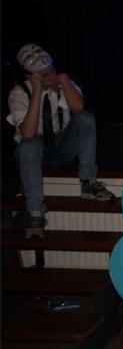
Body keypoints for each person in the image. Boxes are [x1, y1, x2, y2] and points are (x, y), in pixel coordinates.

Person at [7, 44, 115, 235]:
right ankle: (35, 211)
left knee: (85, 118)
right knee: (29, 145)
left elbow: (79, 108)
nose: (51, 77)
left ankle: (88, 181)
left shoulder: (64, 83)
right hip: (35, 153)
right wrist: (37, 91)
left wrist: (64, 82)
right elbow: (28, 133)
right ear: (30, 76)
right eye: (44, 75)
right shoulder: (18, 93)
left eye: (52, 71)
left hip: (62, 146)